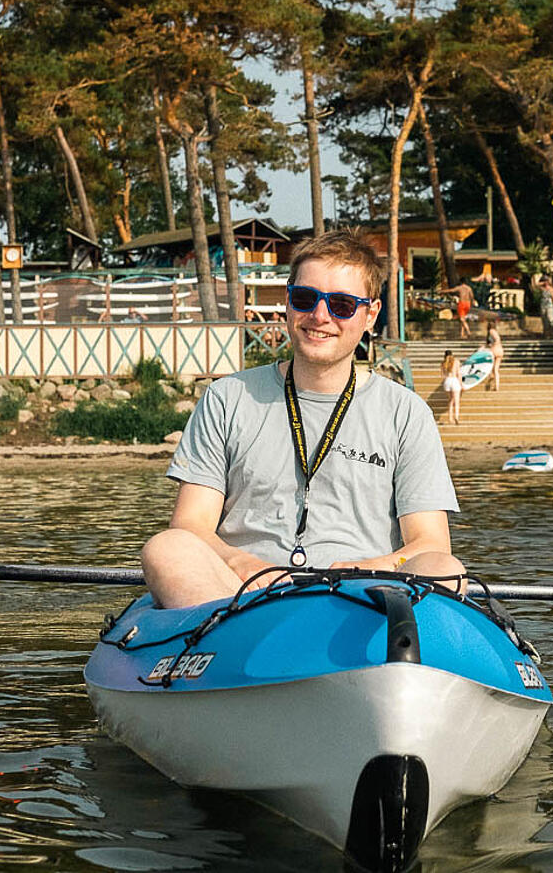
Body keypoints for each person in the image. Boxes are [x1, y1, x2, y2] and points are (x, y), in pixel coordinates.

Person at [141, 230, 464, 609]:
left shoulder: (407, 413)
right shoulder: (225, 398)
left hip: (366, 598)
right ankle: (235, 647)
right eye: (306, 299)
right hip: (242, 594)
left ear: (370, 314)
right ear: (289, 301)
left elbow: (430, 542)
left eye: (342, 304)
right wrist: (240, 561)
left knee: (446, 567)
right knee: (167, 547)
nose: (320, 316)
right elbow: (191, 525)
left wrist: (368, 569)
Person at [441, 349, 462, 425]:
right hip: (454, 380)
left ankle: (450, 418)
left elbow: (443, 375)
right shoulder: (456, 362)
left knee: (450, 400)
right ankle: (456, 416)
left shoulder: (443, 363)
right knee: (456, 401)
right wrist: (461, 384)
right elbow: (458, 373)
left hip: (447, 381)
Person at [482, 320, 503, 391]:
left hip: (494, 350)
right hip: (500, 350)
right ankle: (496, 386)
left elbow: (497, 340)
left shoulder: (491, 331)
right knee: (496, 370)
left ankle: (491, 379)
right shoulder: (495, 331)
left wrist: (493, 345)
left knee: (490, 368)